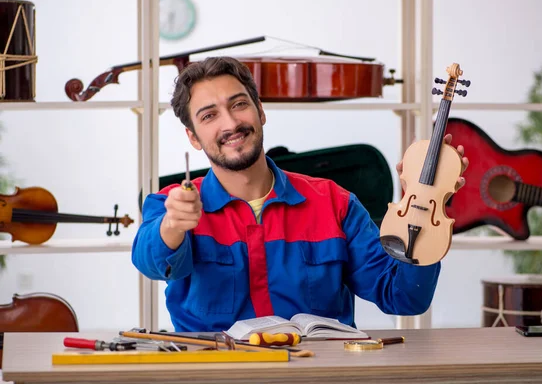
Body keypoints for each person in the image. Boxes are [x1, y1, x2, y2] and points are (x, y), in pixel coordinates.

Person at [131, 56, 469, 333]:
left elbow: (404, 298)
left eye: (239, 105)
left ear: (260, 111)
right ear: (193, 137)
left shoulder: (335, 204)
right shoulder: (171, 205)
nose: (231, 123)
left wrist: (427, 210)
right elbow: (149, 261)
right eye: (210, 115)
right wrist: (173, 226)